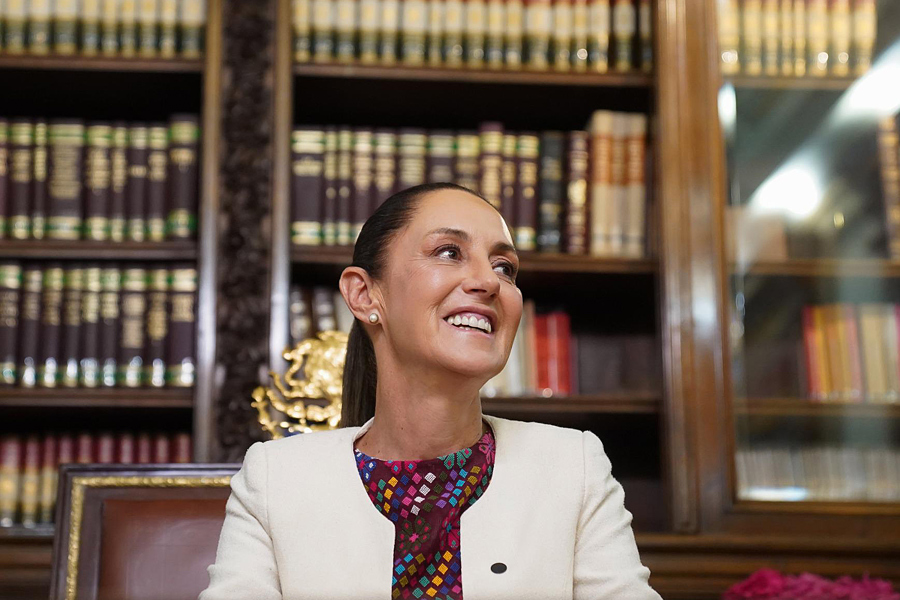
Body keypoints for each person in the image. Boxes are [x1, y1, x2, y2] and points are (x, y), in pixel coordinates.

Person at [199, 183, 661, 600]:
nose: (487, 281)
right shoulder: (275, 480)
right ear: (364, 295)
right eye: (448, 252)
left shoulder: (573, 466)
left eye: (505, 267)